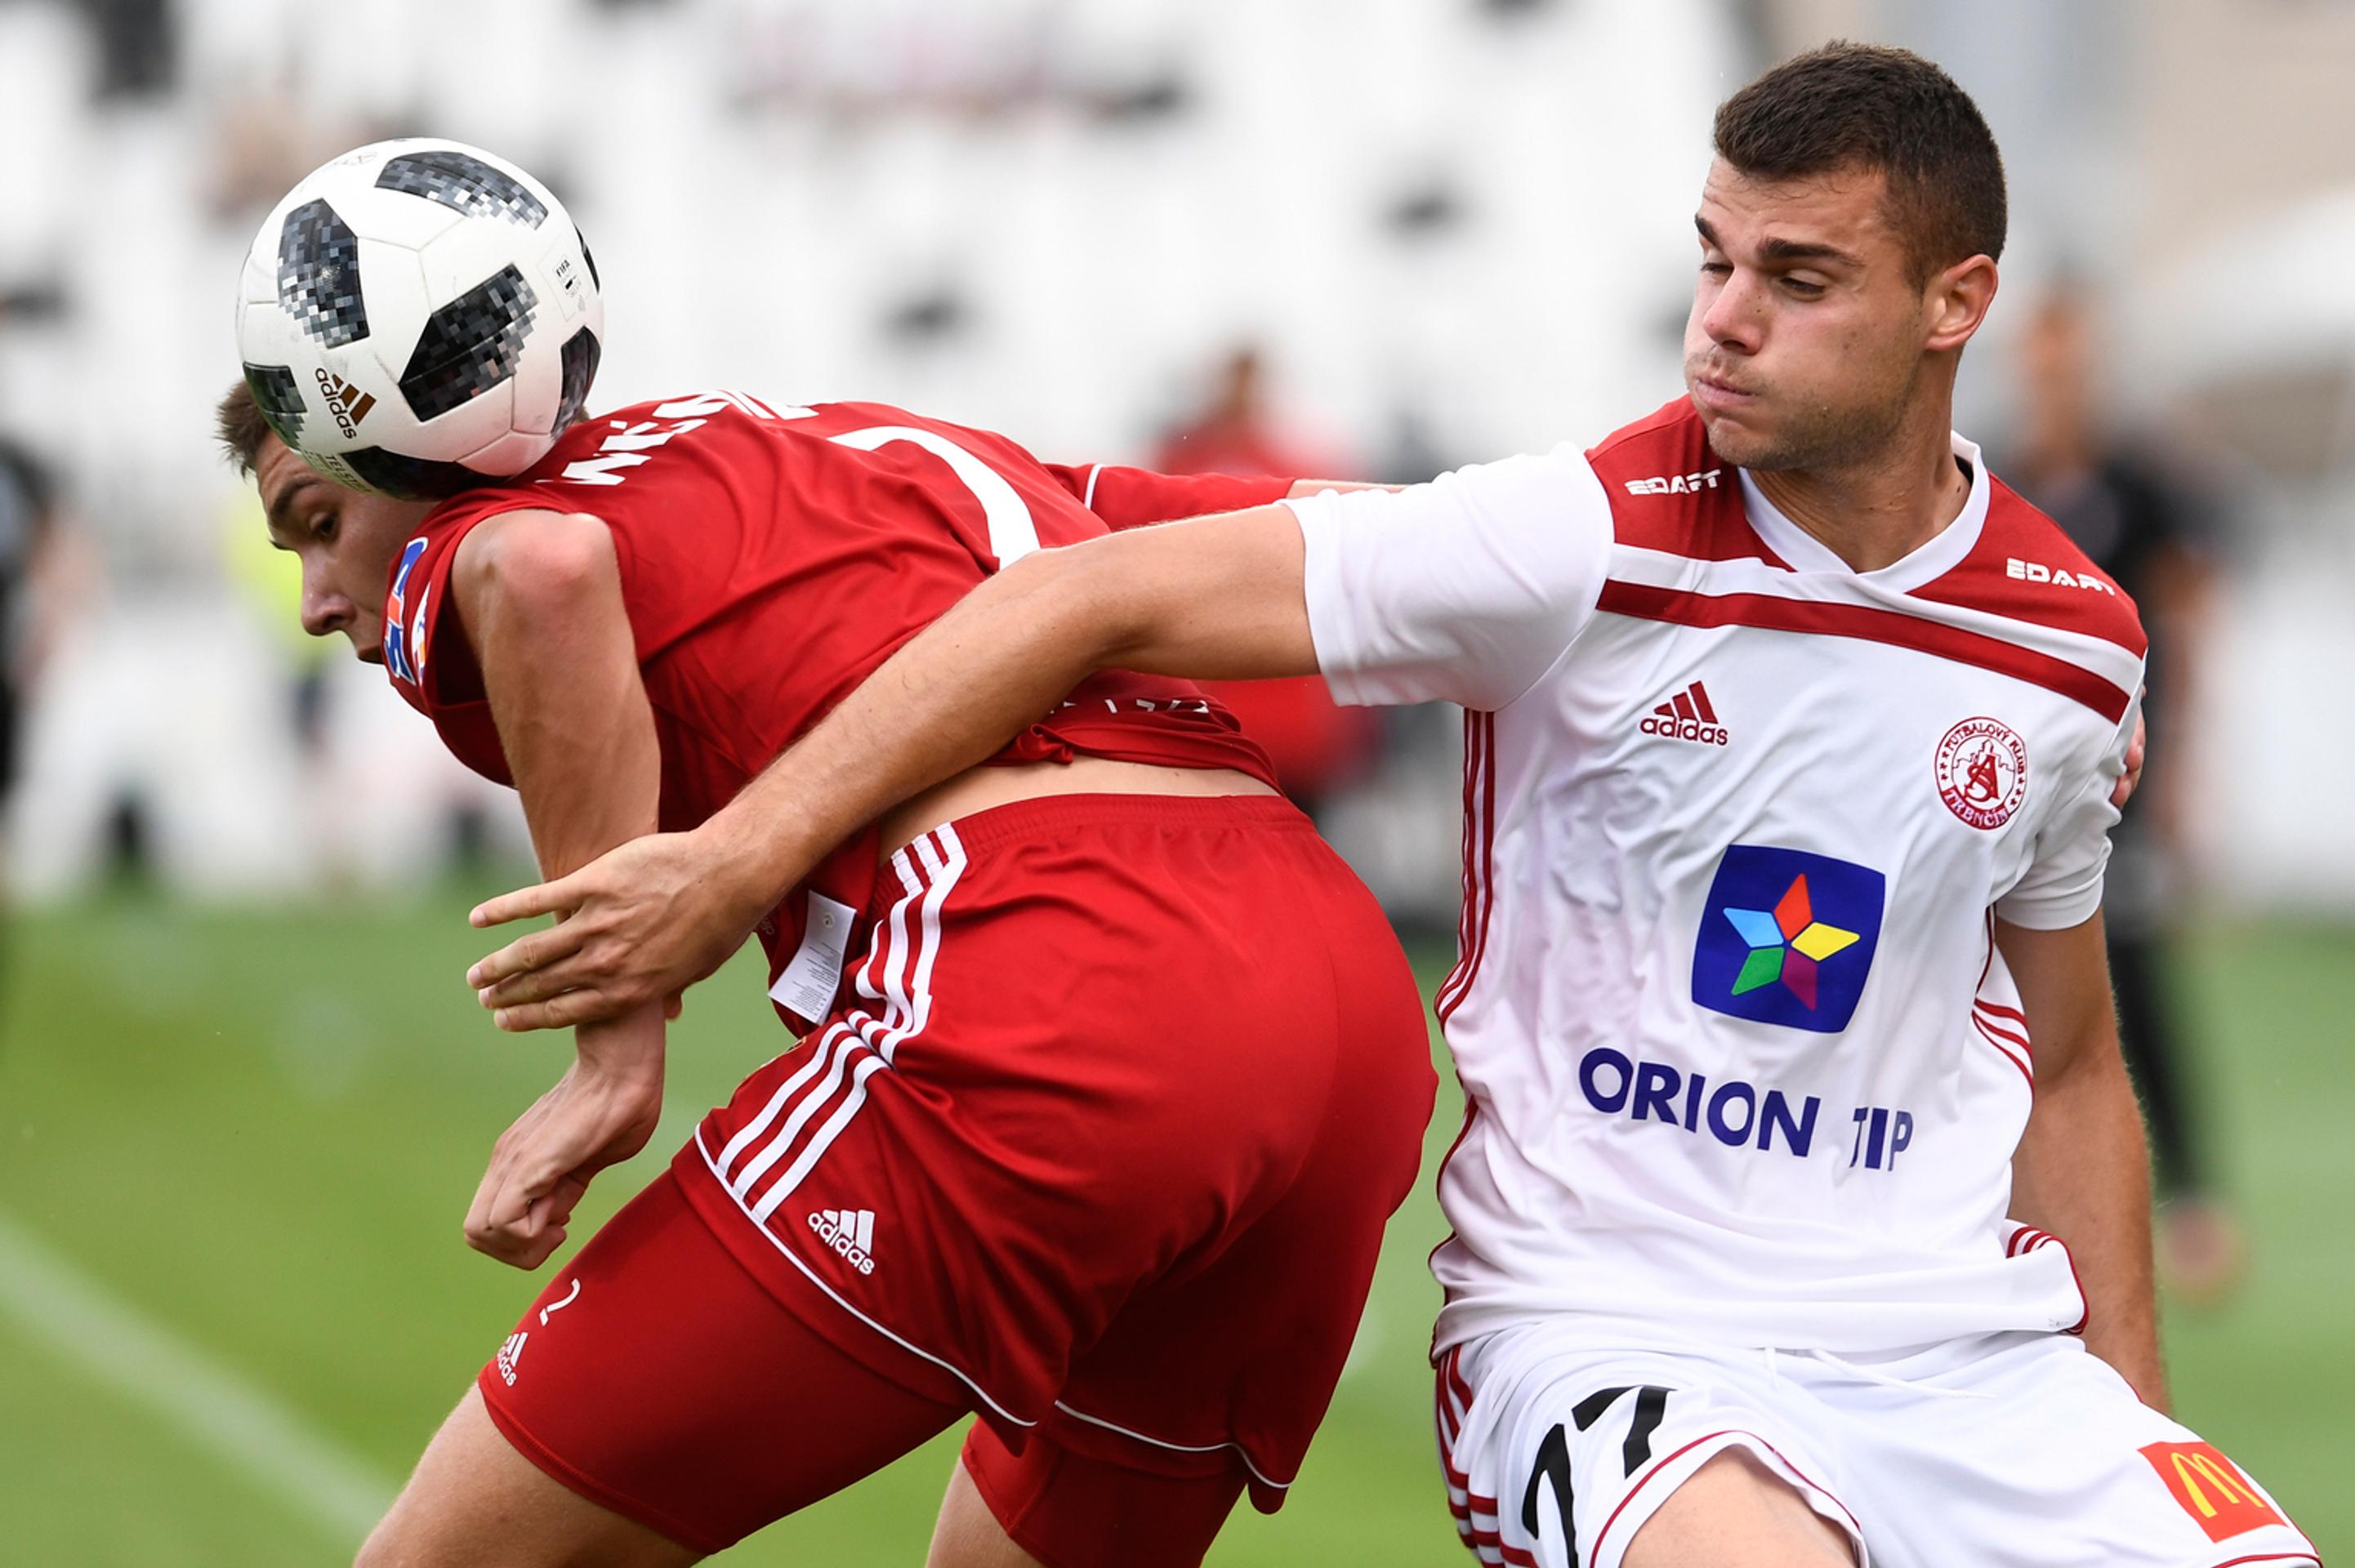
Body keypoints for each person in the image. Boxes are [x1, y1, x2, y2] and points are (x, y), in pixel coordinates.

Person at [466, 44, 2317, 1568]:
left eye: (1792, 279)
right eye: (1707, 261)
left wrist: (2121, 1423)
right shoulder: (1574, 536)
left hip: (1960, 1358)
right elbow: (1082, 589)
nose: (1719, 324)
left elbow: (2064, 1070)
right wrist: (731, 865)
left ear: (1952, 306)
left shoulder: (2062, 646)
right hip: (1621, 1337)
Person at [216, 380, 1436, 1567]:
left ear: (408, 435)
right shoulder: (848, 443)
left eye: (319, 525)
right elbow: (1376, 535)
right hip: (1342, 999)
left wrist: (614, 1052)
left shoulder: (484, 513)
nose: (318, 599)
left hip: (1066, 974)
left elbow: (540, 571)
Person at [2009, 285, 2245, 1303]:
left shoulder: (2142, 485)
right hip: (2013, 785)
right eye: (2044, 355)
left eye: (2074, 355)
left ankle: (2194, 1202)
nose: (2058, 372)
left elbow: (2188, 623)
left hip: (2123, 783)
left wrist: (2187, 772)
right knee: (2003, 981)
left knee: (2137, 986)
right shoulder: (2002, 480)